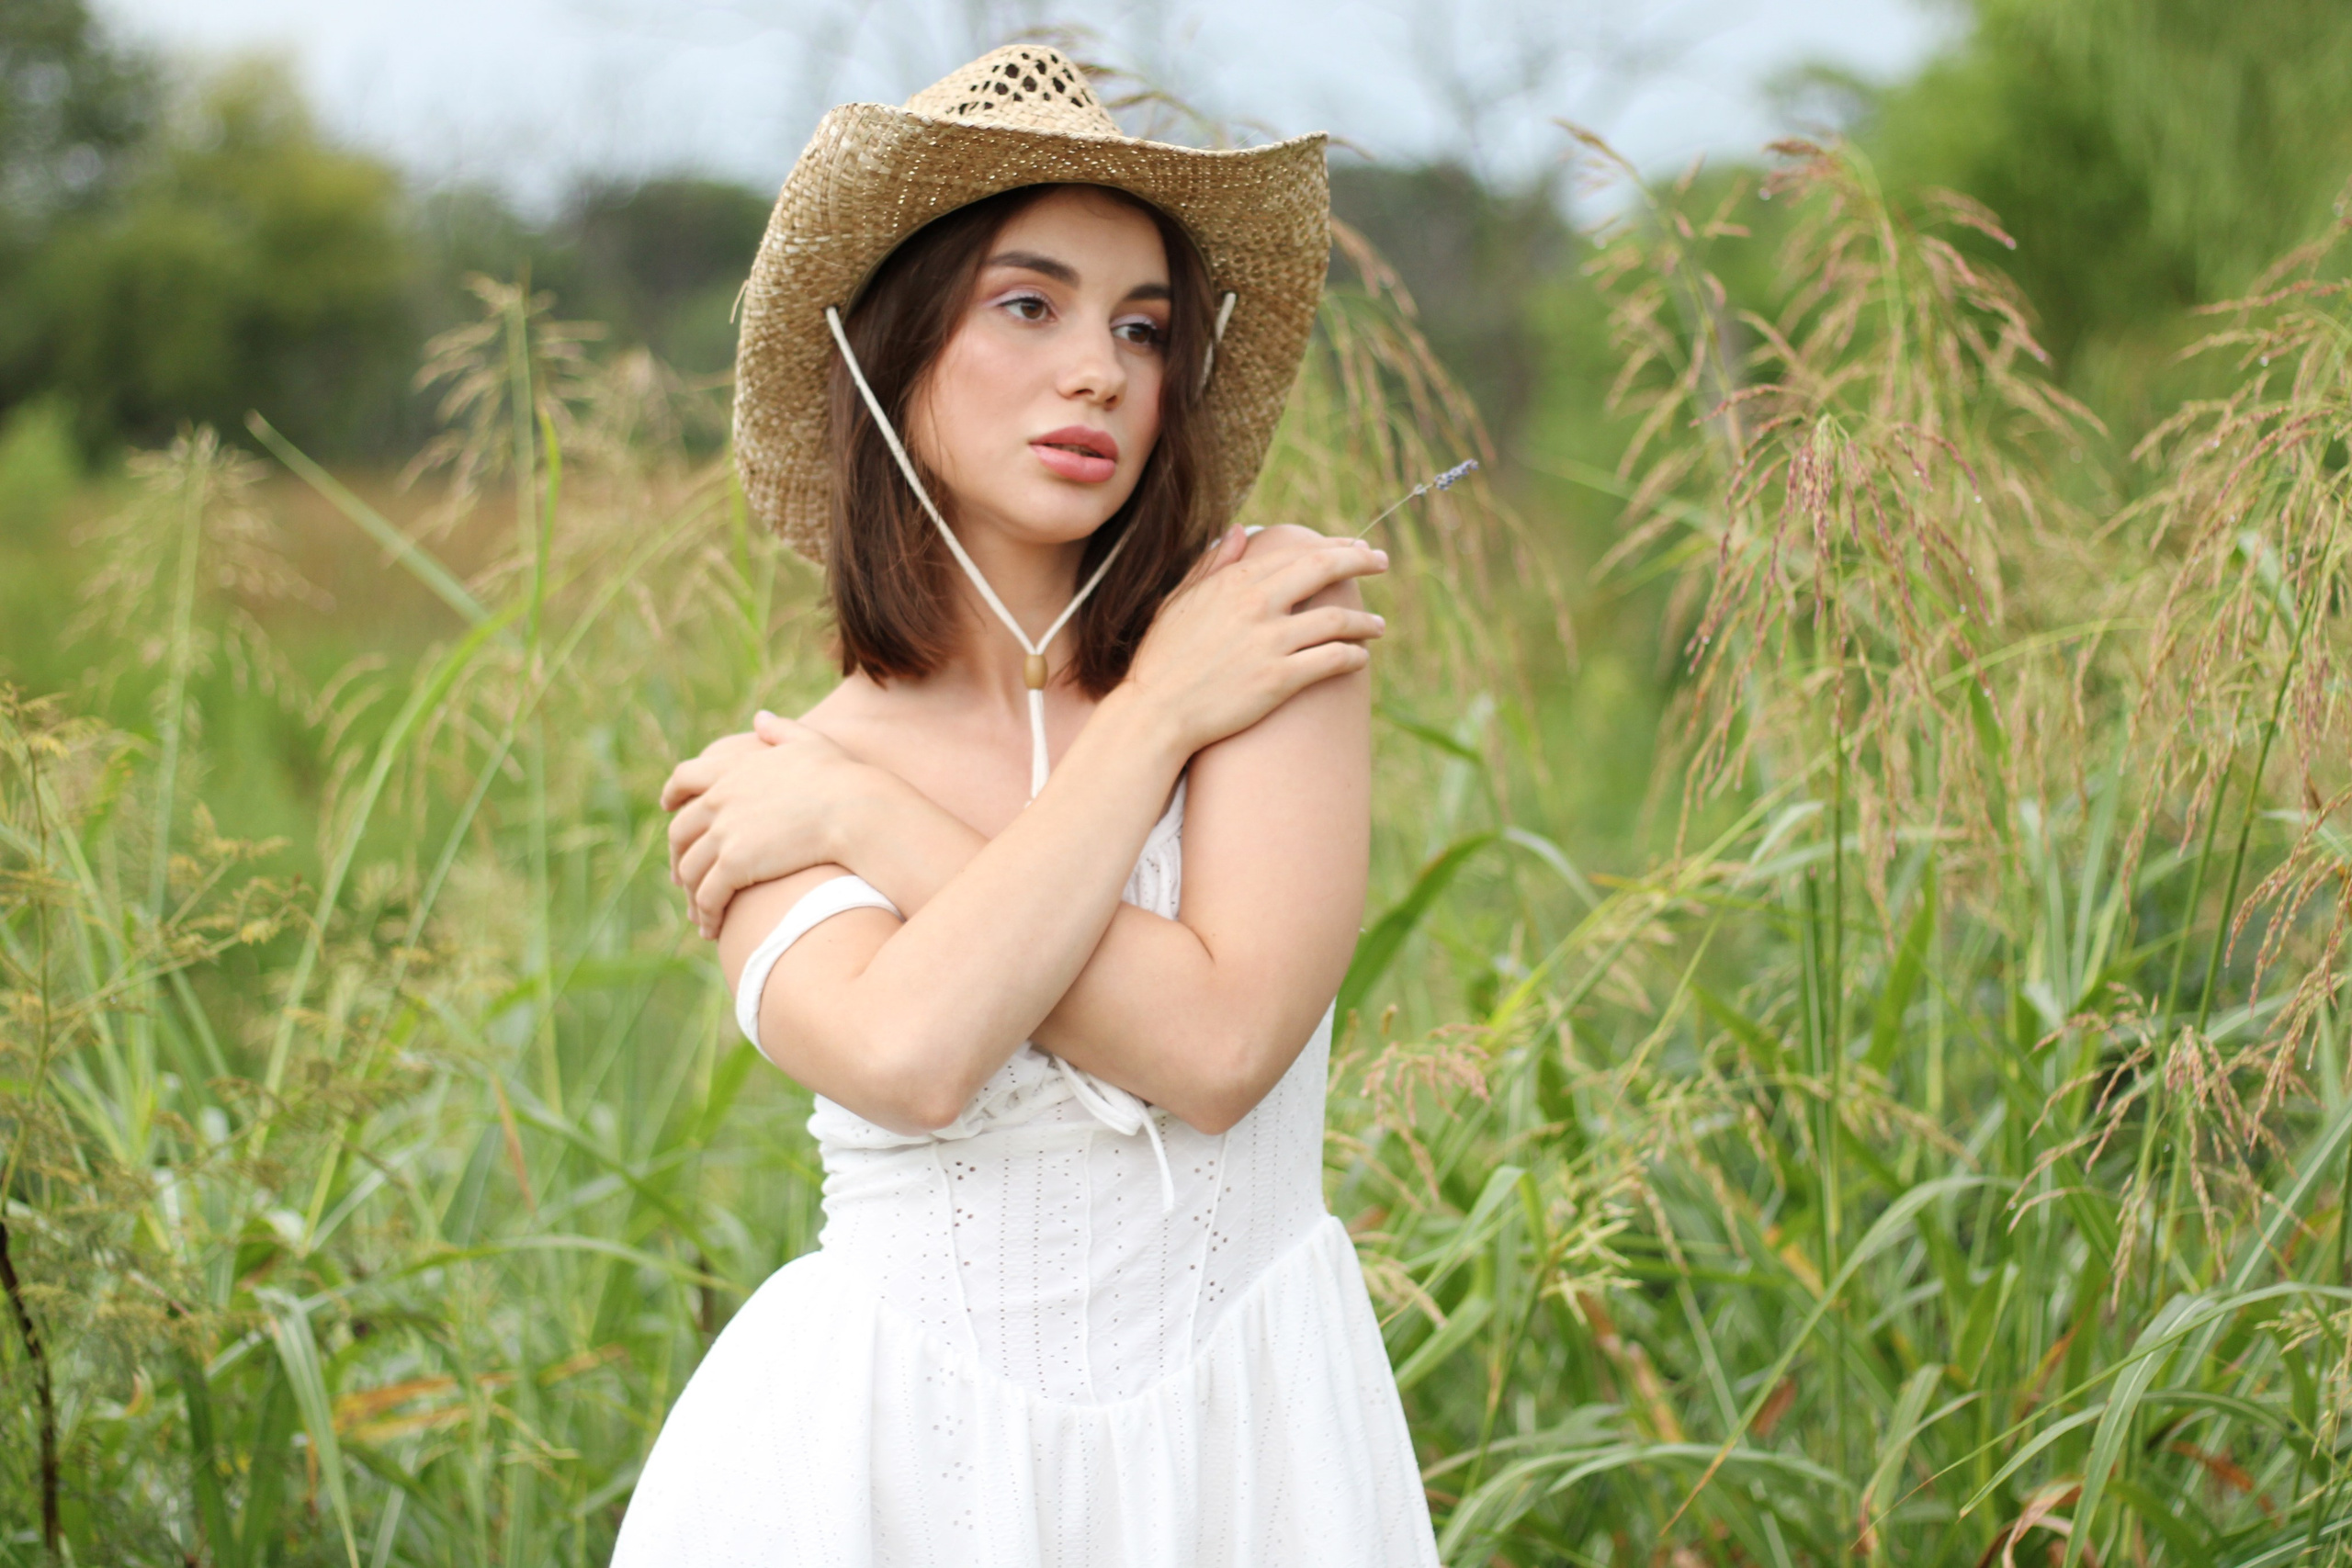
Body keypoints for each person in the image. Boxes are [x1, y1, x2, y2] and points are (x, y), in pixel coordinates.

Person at [614, 44, 1441, 1567]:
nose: (1101, 372)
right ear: (894, 349)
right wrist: (1160, 721)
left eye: (1144, 328)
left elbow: (1218, 1049)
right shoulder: (768, 786)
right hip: (886, 1480)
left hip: (1244, 1460)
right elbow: (914, 1058)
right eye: (1028, 304)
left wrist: (885, 826)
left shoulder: (1264, 635)